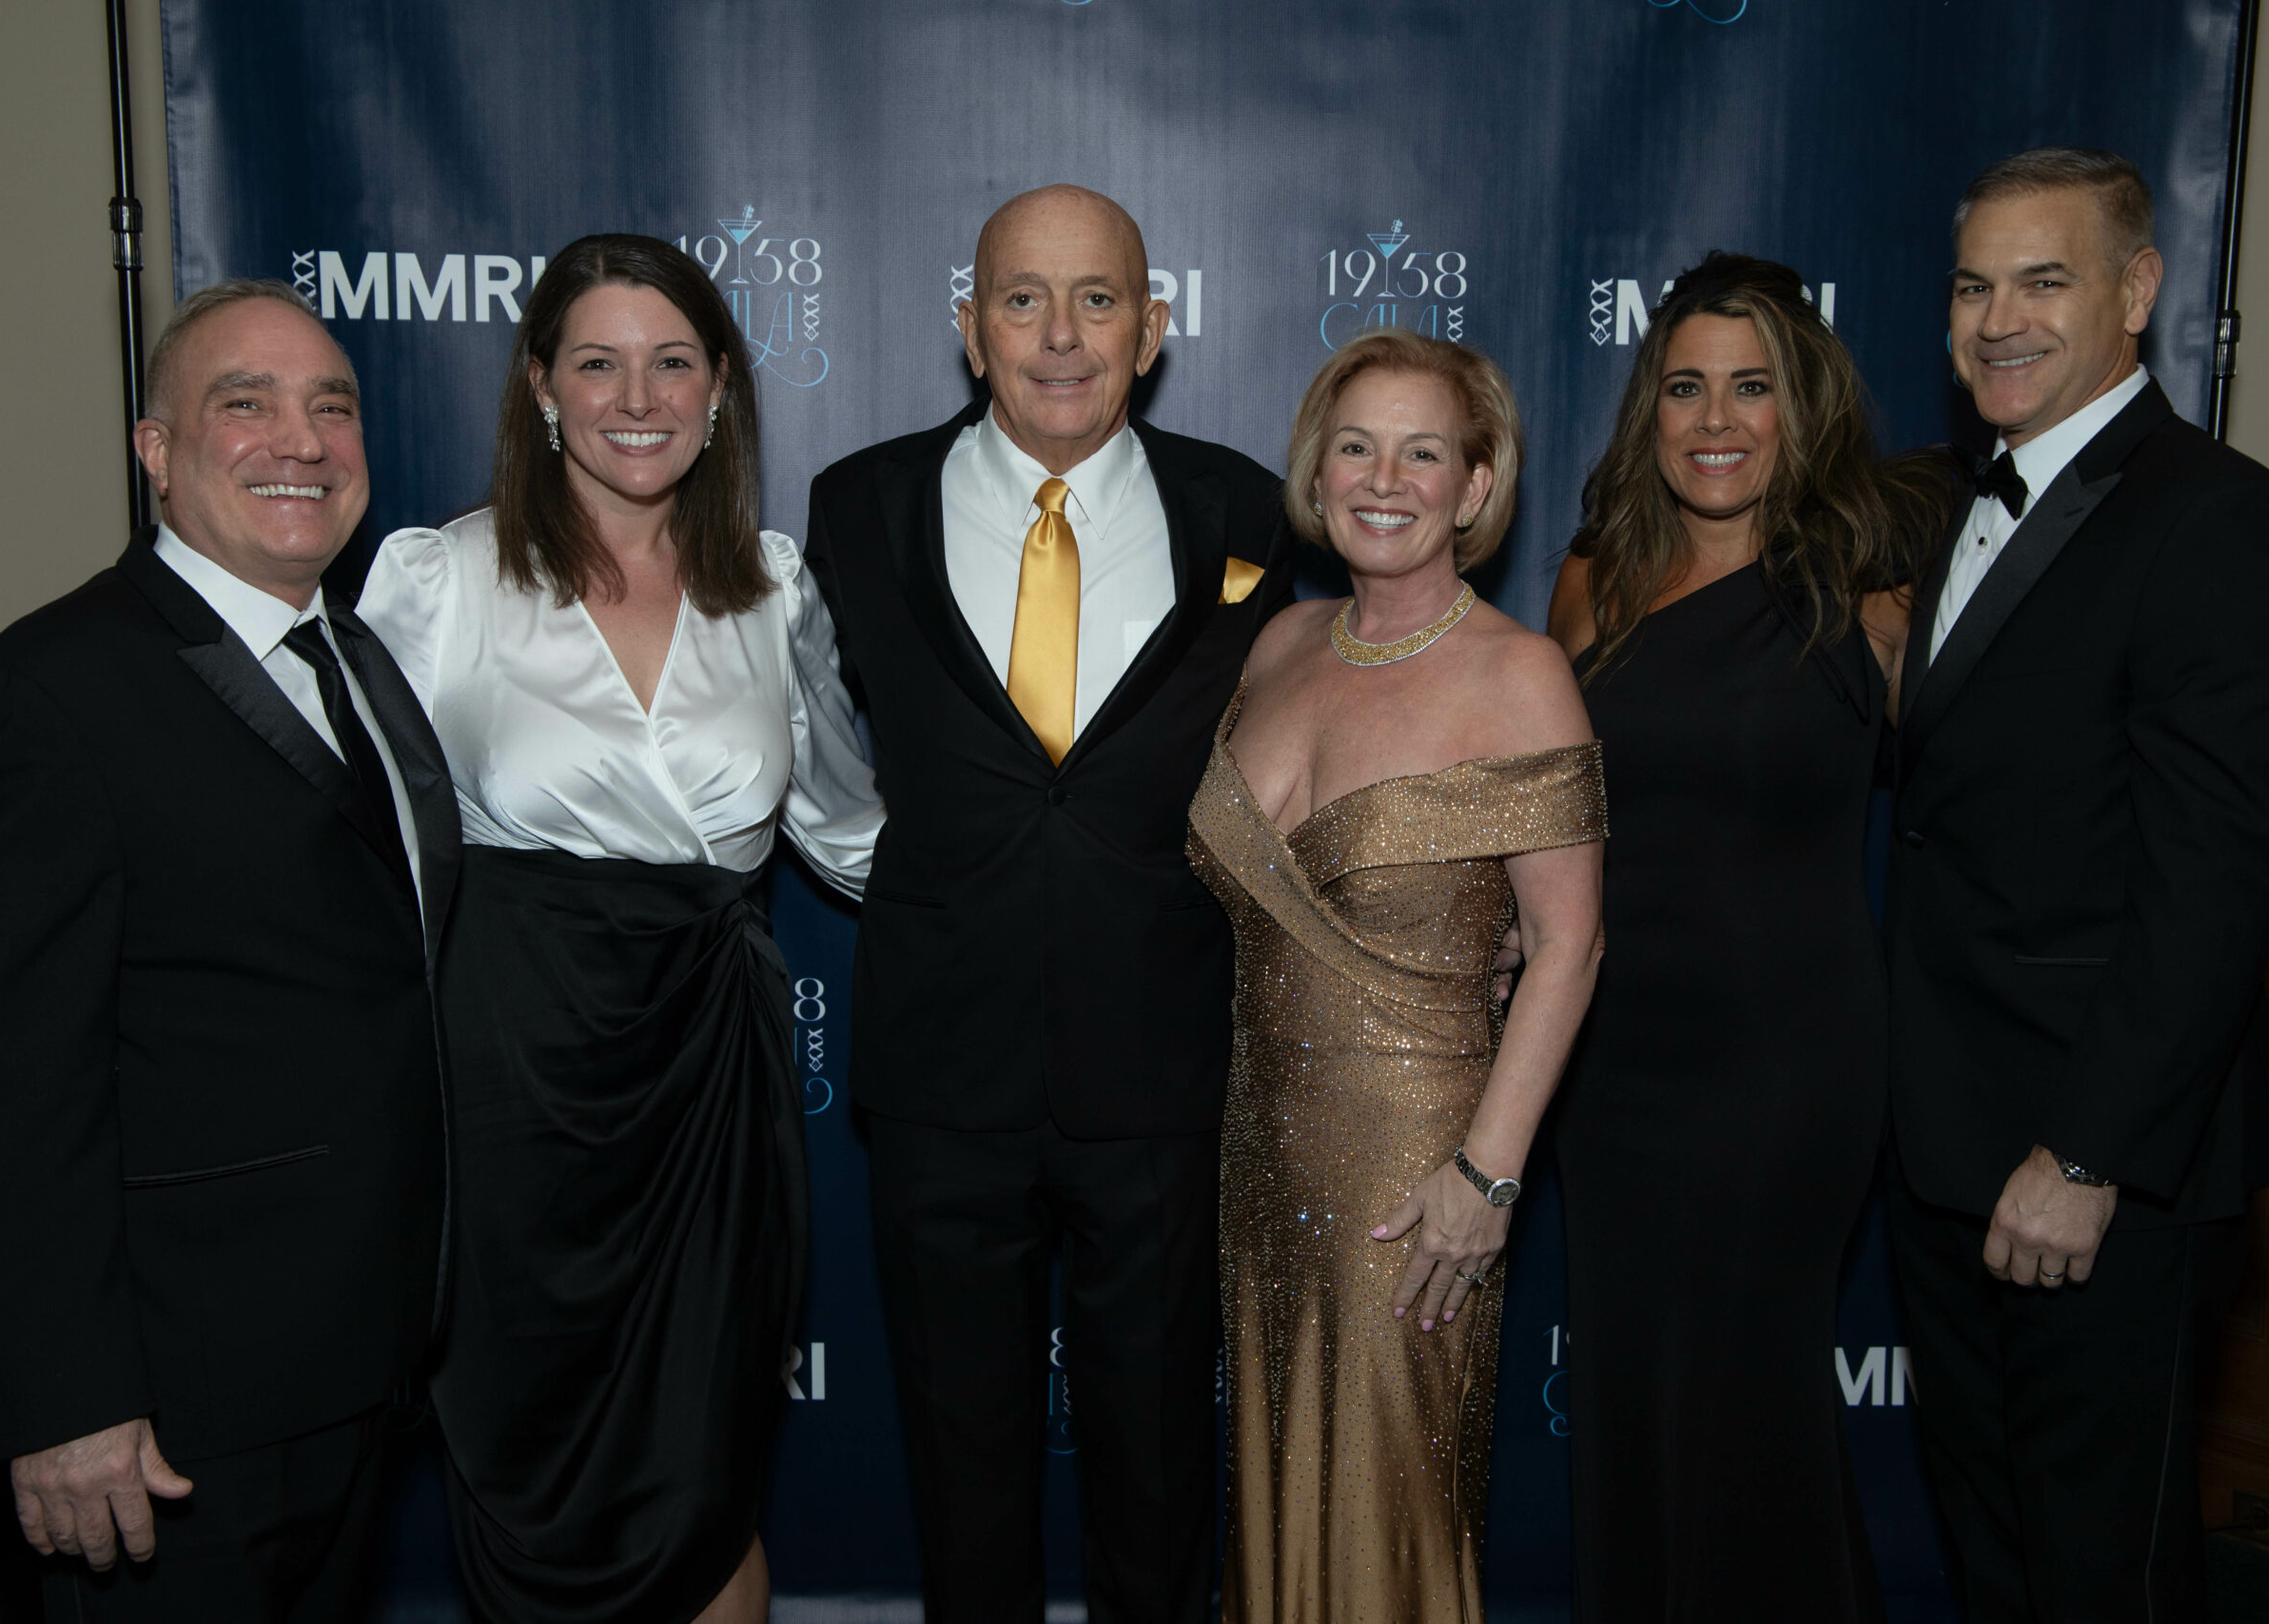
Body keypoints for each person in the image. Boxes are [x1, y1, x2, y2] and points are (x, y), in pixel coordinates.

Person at [358, 233, 880, 1624]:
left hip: (714, 1098)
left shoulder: (772, 588)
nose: (635, 396)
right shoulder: (438, 579)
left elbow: (850, 832)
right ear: (541, 385)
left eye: (671, 362)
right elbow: (352, 857)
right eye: (596, 361)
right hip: (514, 1099)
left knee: (705, 1488)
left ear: (719, 390)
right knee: (537, 1483)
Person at [799, 184, 1291, 1623]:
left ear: (1153, 329)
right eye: (1022, 298)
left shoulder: (1251, 510)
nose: (1060, 334)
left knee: (1158, 1473)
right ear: (969, 327)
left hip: (1165, 1069)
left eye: (1097, 300)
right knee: (963, 1471)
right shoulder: (857, 502)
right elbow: (802, 740)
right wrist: (914, 878)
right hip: (943, 1075)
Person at [0, 281, 456, 1623]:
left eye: (332, 407)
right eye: (248, 404)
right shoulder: (48, 693)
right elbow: (4, 1087)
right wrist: (64, 1403)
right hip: (162, 1426)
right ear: (156, 451)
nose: (302, 439)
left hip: (346, 1377)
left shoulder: (358, 660)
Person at [1888, 148, 2269, 1621]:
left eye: (2044, 281)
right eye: (1973, 285)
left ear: (2140, 292)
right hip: (1947, 1149)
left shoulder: (2222, 522)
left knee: (2106, 1579)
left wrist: (2086, 1156)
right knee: (1998, 1555)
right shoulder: (1948, 500)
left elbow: (2215, 886)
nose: (1997, 319)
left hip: (2100, 1176)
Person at [1544, 252, 1951, 1620]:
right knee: (1633, 1400)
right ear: (1647, 412)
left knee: (1751, 1403)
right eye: (1685, 387)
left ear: (1803, 405)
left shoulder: (1878, 598)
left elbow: (2003, 811)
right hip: (1609, 1069)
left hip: (1787, 1074)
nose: (1716, 419)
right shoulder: (1591, 586)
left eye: (1753, 386)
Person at [1194, 329, 1606, 1623]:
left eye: (1423, 451)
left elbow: (1567, 946)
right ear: (1316, 473)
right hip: (1260, 1157)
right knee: (1280, 1492)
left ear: (1477, 487)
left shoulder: (1520, 674)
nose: (1385, 477)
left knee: (1386, 1512)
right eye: (1356, 446)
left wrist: (1488, 1175)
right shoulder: (1276, 644)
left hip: (1413, 1172)